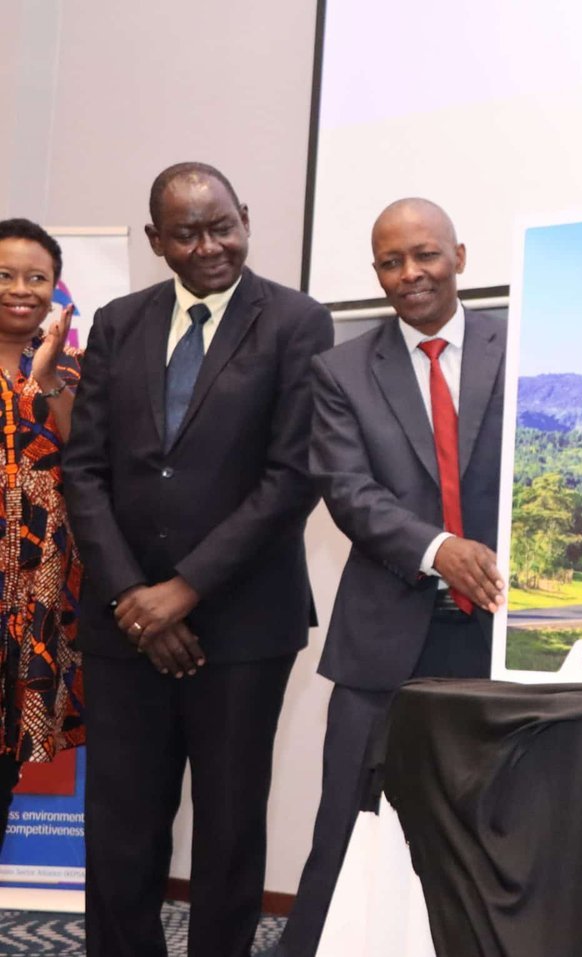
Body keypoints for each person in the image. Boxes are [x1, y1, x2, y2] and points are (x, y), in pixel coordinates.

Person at [62, 163, 333, 957]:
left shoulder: (297, 322)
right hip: (123, 624)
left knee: (229, 824)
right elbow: (85, 469)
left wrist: (182, 591)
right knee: (121, 825)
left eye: (223, 226)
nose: (209, 245)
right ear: (157, 241)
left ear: (245, 217)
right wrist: (133, 596)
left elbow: (292, 476)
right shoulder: (118, 322)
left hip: (243, 624)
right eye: (186, 233)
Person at [277, 198, 505, 956]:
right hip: (384, 637)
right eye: (390, 261)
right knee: (344, 826)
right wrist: (438, 548)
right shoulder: (341, 369)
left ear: (460, 257)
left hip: (502, 632)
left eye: (426, 254)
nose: (410, 273)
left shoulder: (523, 347)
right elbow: (347, 490)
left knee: (497, 829)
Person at [0, 219, 85, 849]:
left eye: (37, 278)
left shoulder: (72, 371)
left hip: (37, 599)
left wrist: (50, 372)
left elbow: (89, 455)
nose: (20, 289)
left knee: (5, 766)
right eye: (4, 275)